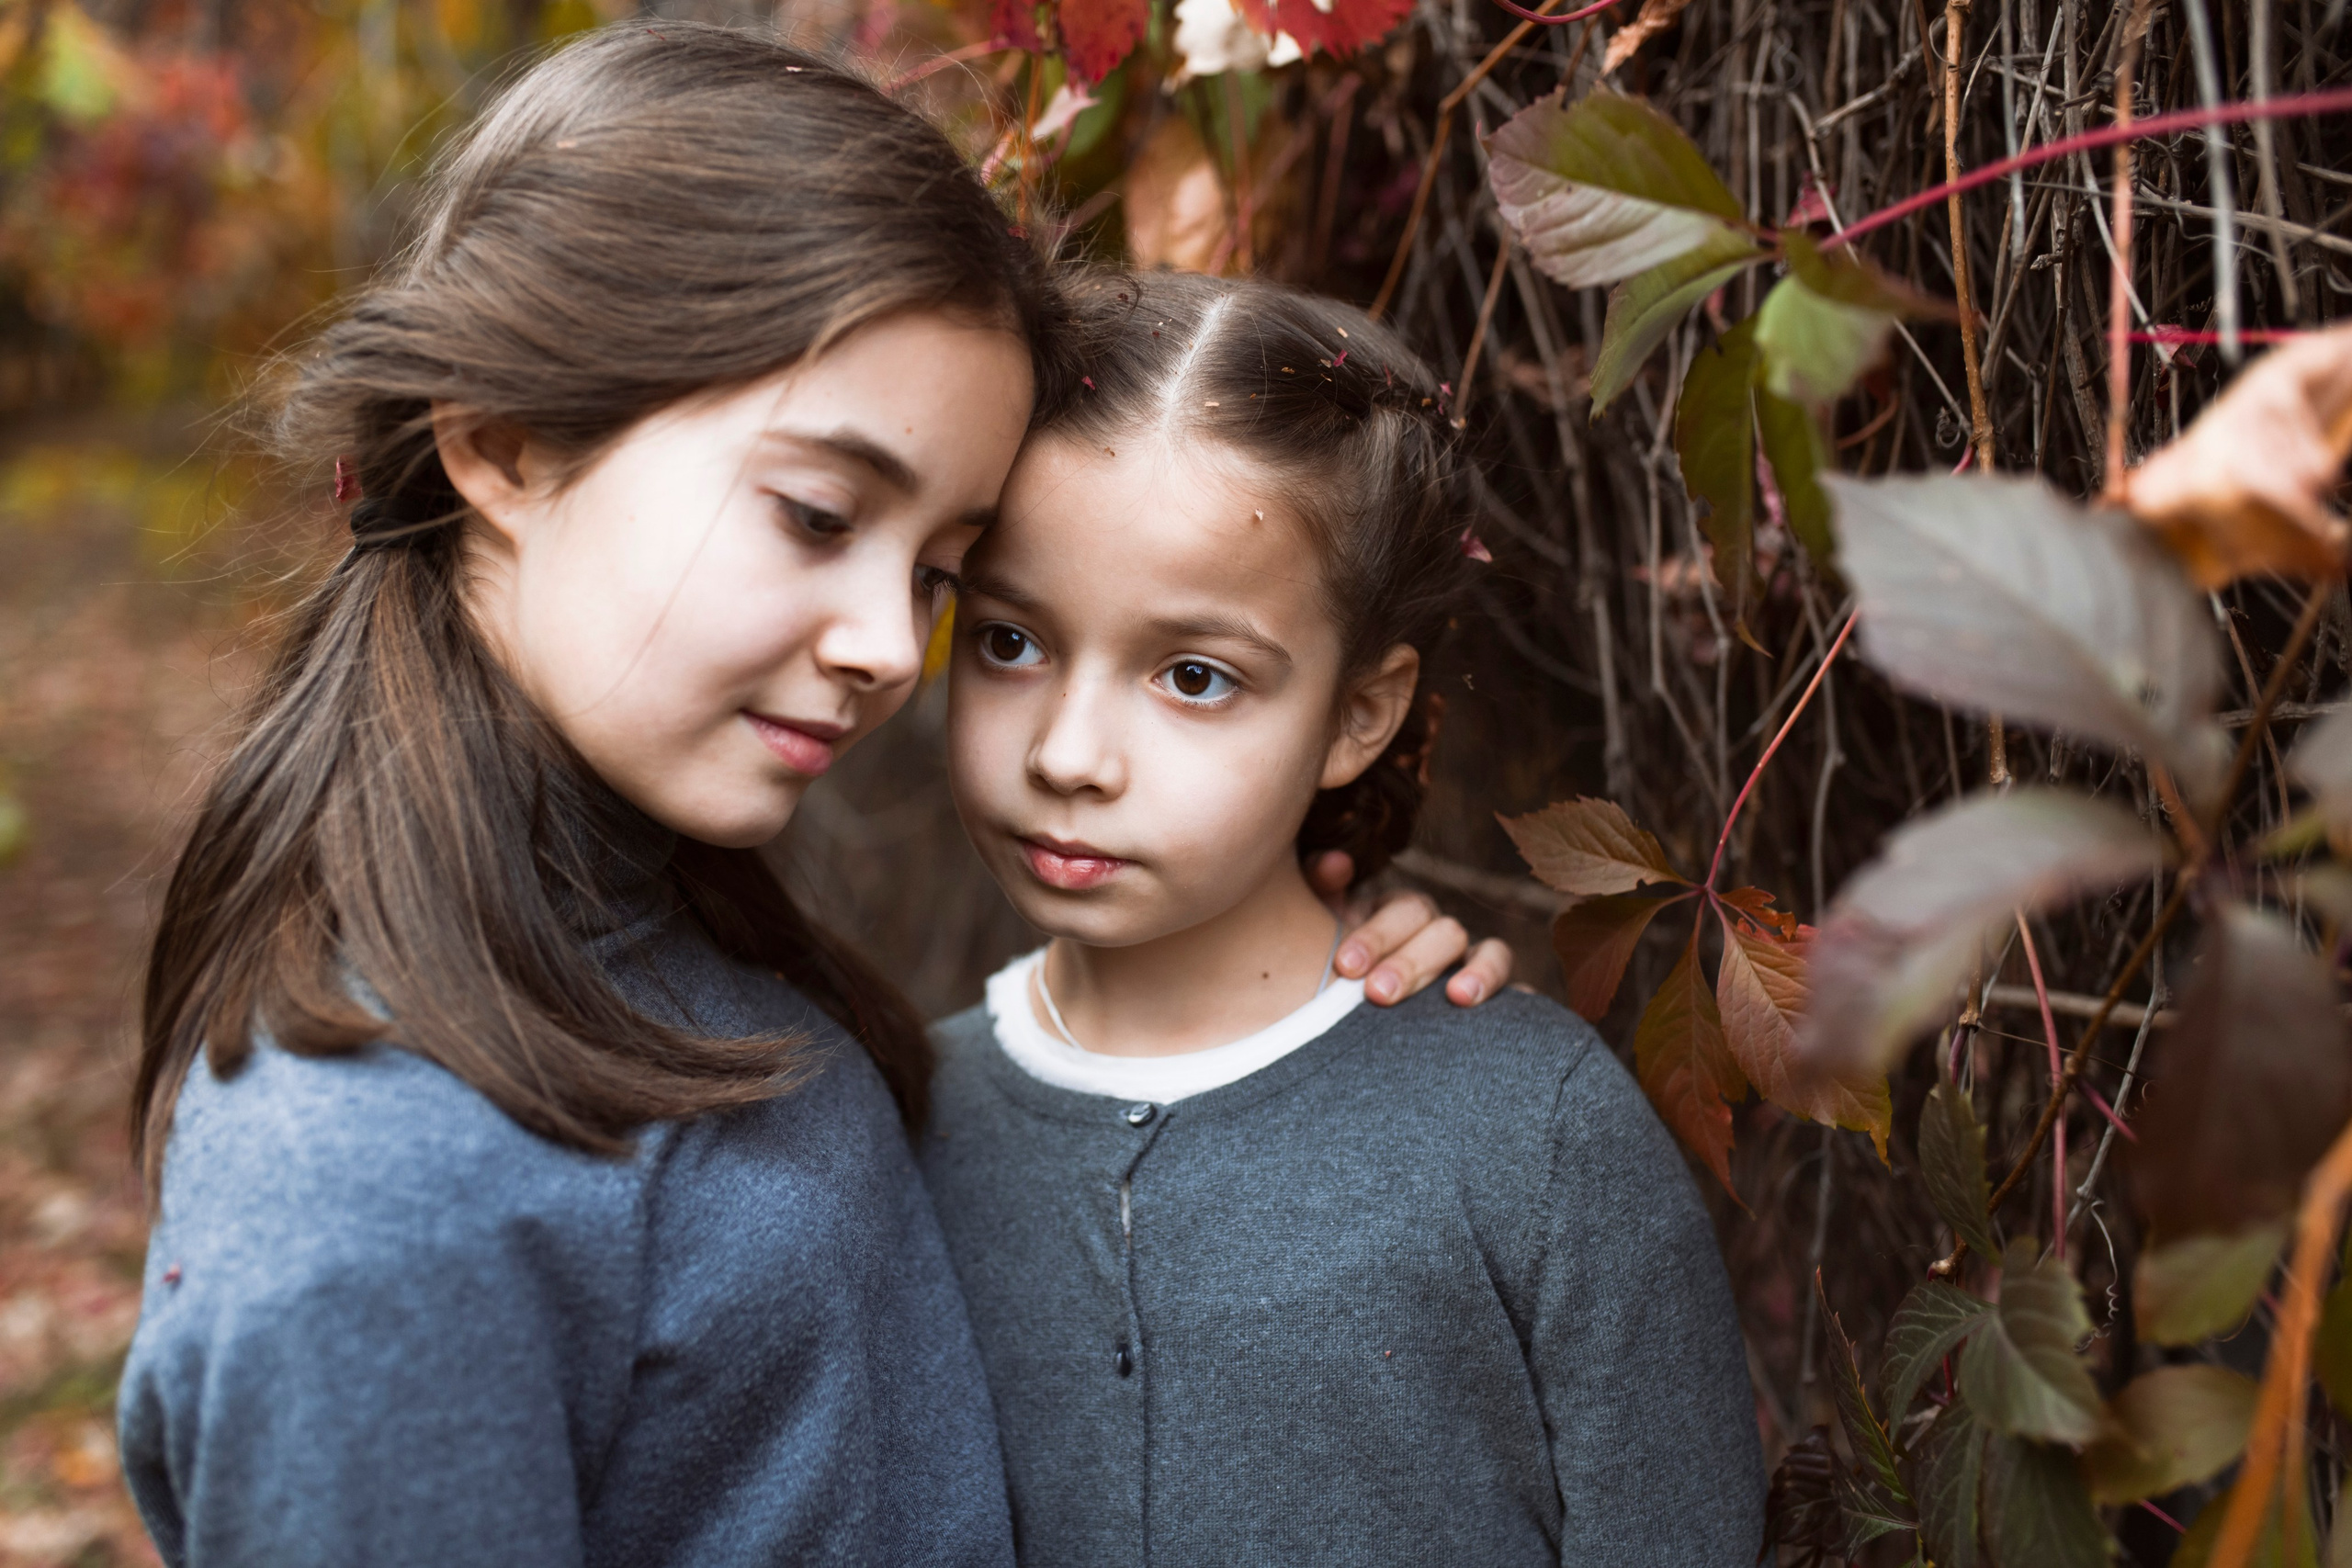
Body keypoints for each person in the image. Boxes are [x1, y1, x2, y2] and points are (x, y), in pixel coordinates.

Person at [117, 25, 1503, 1567]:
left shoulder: (647, 936)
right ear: (506, 446)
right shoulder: (380, 1189)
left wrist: (1305, 1004)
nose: (883, 649)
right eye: (817, 511)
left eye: (933, 571)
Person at [922, 270, 1765, 1566]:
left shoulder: (1533, 1135)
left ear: (1360, 715)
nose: (1069, 754)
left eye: (1193, 676)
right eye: (1011, 642)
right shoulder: (898, 1125)